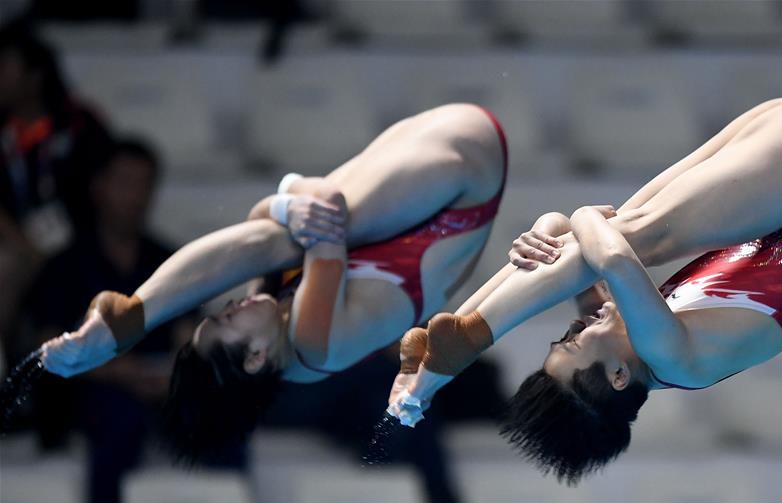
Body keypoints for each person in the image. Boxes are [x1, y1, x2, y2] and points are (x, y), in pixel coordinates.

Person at [388, 97, 782, 484]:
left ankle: (444, 349)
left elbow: (561, 244)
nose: (578, 324)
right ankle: (455, 353)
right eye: (574, 340)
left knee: (622, 228)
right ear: (619, 378)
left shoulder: (633, 346)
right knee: (635, 234)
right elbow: (609, 253)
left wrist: (543, 232)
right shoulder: (674, 356)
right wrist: (583, 218)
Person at [39, 103, 508, 462]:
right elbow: (322, 202)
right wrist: (289, 194)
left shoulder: (273, 328)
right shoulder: (312, 340)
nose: (228, 308)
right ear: (255, 357)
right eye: (225, 323)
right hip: (466, 176)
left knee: (282, 233)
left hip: (427, 152)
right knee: (305, 223)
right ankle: (135, 317)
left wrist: (285, 205)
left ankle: (134, 313)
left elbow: (264, 224)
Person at [27, 137, 196, 503]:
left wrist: (177, 369)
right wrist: (117, 373)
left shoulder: (168, 261)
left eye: (144, 184)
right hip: (88, 389)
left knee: (221, 416)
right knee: (118, 419)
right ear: (99, 188)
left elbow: (192, 333)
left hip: (161, 389)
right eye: (125, 183)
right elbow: (44, 345)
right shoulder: (65, 265)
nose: (135, 196)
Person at [0, 22, 111, 338]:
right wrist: (24, 245)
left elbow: (107, 185)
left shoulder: (80, 124)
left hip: (79, 244)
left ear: (34, 76)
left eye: (3, 67)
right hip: (17, 246)